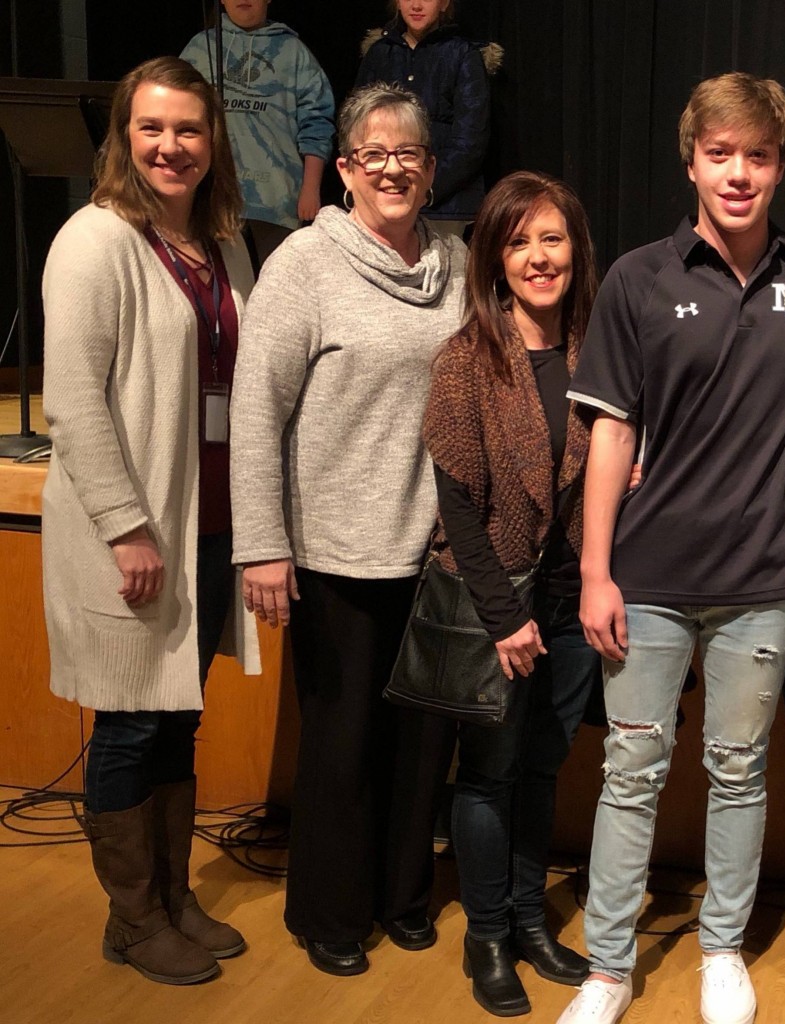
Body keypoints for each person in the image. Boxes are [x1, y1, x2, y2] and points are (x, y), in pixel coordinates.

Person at [557, 72, 785, 1024]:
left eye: (758, 155)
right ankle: (607, 968)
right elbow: (612, 432)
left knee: (739, 772)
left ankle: (721, 948)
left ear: (780, 167)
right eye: (721, 154)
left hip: (761, 580)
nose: (739, 173)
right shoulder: (639, 277)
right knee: (631, 774)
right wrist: (596, 572)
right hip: (647, 578)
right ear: (691, 162)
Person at [229, 81, 467, 978]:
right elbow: (256, 411)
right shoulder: (304, 264)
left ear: (431, 170)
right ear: (346, 170)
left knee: (420, 745)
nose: (392, 168)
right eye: (374, 154)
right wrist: (262, 544)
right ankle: (329, 911)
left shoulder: (456, 263)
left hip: (432, 549)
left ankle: (403, 896)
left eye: (408, 153)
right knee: (341, 745)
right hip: (333, 550)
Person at [41, 55, 258, 986]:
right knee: (131, 724)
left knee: (179, 717)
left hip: (207, 524)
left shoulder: (223, 245)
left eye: (189, 129)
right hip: (131, 532)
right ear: (123, 138)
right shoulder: (94, 241)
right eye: (152, 128)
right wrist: (126, 525)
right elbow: (73, 401)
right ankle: (131, 920)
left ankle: (171, 896)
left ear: (214, 142)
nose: (172, 146)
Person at [421, 170, 600, 1015]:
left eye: (552, 238)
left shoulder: (600, 349)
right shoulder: (466, 359)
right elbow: (456, 504)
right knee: (489, 773)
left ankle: (531, 921)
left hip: (575, 598)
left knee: (542, 766)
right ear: (494, 258)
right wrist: (503, 617)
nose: (538, 257)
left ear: (575, 249)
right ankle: (486, 935)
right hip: (500, 600)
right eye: (518, 242)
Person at [180, 0, 335, 264]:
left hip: (277, 202)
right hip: (213, 199)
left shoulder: (293, 52)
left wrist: (311, 187)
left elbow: (318, 121)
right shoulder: (200, 48)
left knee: (276, 281)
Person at [354, 0, 493, 235]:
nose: (416, 5)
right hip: (384, 199)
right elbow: (358, 129)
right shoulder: (380, 53)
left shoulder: (463, 54)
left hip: (445, 207)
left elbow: (471, 141)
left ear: (444, 4)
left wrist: (424, 189)